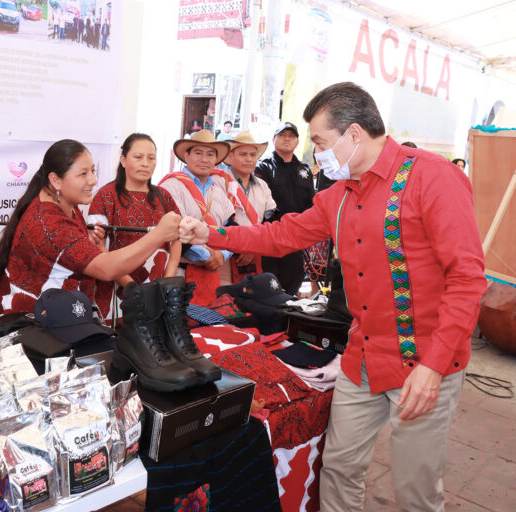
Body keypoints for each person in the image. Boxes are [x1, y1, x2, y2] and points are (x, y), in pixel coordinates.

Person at [179, 81, 487, 511]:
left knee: (415, 489)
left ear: (354, 135)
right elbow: (283, 234)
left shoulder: (432, 177)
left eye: (320, 142)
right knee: (339, 470)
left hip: (424, 360)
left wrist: (434, 368)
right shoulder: (339, 195)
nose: (315, 153)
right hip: (361, 354)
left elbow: (468, 278)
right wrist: (213, 233)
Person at [0, 139, 181, 330]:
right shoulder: (47, 221)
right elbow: (106, 269)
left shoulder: (67, 206)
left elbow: (64, 252)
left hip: (54, 316)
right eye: (83, 174)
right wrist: (158, 235)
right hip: (26, 326)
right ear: (56, 180)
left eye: (93, 171)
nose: (93, 180)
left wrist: (84, 243)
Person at [88, 134, 182, 321]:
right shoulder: (105, 196)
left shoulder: (164, 196)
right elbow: (97, 248)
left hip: (158, 289)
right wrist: (131, 286)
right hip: (116, 288)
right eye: (138, 157)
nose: (145, 163)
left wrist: (167, 281)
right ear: (123, 160)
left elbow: (176, 239)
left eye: (151, 158)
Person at [159, 130, 234, 305]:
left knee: (208, 325)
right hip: (180, 271)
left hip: (211, 274)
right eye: (198, 153)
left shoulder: (217, 189)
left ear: (216, 159)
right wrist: (207, 256)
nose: (205, 159)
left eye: (210, 154)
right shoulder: (171, 186)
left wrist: (222, 254)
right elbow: (174, 231)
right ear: (186, 155)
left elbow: (230, 226)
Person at [255, 121, 314, 296]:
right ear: (274, 139)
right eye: (282, 135)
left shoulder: (304, 169)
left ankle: (286, 322)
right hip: (271, 236)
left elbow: (310, 203)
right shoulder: (263, 167)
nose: (286, 139)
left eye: (291, 136)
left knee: (293, 282)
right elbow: (262, 204)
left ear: (297, 142)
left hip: (296, 238)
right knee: (269, 285)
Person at [216, 131, 274, 281]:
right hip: (225, 255)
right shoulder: (219, 182)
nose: (249, 159)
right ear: (230, 156)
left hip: (255, 253)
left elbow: (271, 217)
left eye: (253, 155)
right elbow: (221, 220)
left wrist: (253, 247)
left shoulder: (262, 185)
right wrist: (243, 246)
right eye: (243, 154)